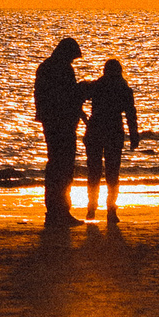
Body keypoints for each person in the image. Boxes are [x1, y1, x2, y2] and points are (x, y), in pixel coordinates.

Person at [33, 37, 86, 225]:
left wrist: (80, 114)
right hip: (61, 124)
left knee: (55, 165)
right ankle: (60, 211)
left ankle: (54, 211)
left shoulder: (45, 67)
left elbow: (56, 96)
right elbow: (69, 96)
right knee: (63, 167)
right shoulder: (62, 69)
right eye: (72, 57)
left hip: (51, 122)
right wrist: (83, 91)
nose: (73, 61)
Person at [84, 58, 140, 224]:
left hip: (95, 130)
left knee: (94, 171)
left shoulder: (97, 86)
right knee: (112, 173)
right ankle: (110, 210)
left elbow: (77, 96)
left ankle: (92, 208)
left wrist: (83, 117)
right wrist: (134, 134)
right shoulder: (123, 89)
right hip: (113, 131)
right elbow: (130, 113)